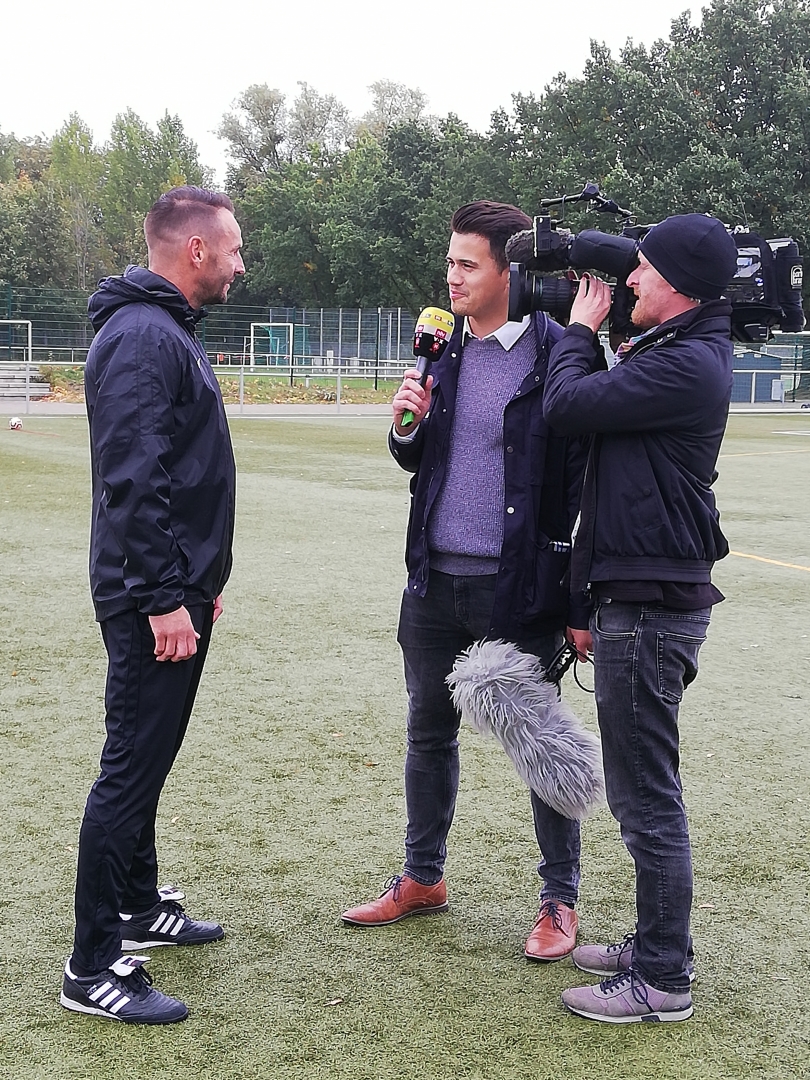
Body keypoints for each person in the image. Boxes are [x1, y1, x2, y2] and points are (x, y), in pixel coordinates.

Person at [342, 201, 590, 962]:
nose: (450, 277)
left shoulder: (560, 352)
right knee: (428, 732)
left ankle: (559, 900)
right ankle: (423, 878)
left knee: (537, 739)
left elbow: (583, 483)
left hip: (519, 588)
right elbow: (416, 457)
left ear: (510, 272)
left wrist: (578, 599)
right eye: (448, 262)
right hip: (432, 581)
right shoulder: (441, 348)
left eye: (466, 264)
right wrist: (404, 424)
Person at [543, 213, 738, 1023]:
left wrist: (579, 329)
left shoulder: (685, 363)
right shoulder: (681, 344)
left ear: (680, 287)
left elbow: (566, 405)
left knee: (645, 798)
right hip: (641, 595)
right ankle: (655, 944)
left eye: (644, 272)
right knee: (641, 791)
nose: (628, 281)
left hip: (652, 609)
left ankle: (662, 978)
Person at [60, 186, 244, 1025]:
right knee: (131, 768)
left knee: (148, 759)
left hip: (175, 590)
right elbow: (135, 482)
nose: (240, 264)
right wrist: (166, 597)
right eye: (233, 249)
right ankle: (93, 964)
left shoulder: (164, 329)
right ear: (195, 250)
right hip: (150, 599)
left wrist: (199, 584)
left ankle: (137, 905)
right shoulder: (142, 336)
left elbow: (177, 471)